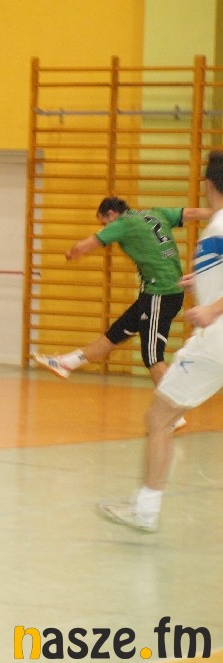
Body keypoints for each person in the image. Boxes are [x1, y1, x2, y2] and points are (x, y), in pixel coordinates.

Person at [98, 151, 223, 532]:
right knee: (161, 417)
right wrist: (200, 282)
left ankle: (145, 510)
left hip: (215, 343)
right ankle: (144, 507)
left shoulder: (220, 224)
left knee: (159, 417)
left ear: (208, 184)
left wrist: (213, 308)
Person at [31, 197, 212, 410]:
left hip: (161, 294)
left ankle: (172, 413)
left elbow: (85, 245)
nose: (105, 227)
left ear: (111, 214)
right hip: (155, 294)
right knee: (114, 336)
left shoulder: (122, 224)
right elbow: (191, 213)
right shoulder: (156, 213)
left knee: (152, 356)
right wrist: (218, 213)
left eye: (104, 223)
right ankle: (66, 363)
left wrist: (72, 252)